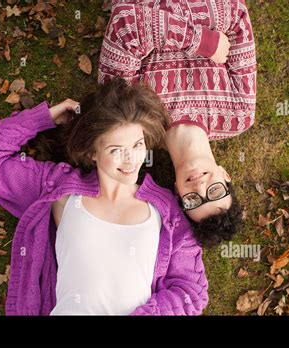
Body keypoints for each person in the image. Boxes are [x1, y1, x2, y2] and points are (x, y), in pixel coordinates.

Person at [0, 78, 209, 315]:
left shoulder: (165, 210)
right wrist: (42, 118)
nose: (131, 159)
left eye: (137, 145)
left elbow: (191, 292)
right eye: (115, 150)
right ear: (92, 153)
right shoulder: (60, 190)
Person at [98, 0, 257, 247]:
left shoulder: (131, 123)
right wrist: (153, 22)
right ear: (225, 175)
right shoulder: (239, 114)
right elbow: (236, 14)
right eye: (214, 192)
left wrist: (206, 42)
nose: (200, 185)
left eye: (193, 200)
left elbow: (124, 25)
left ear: (177, 192)